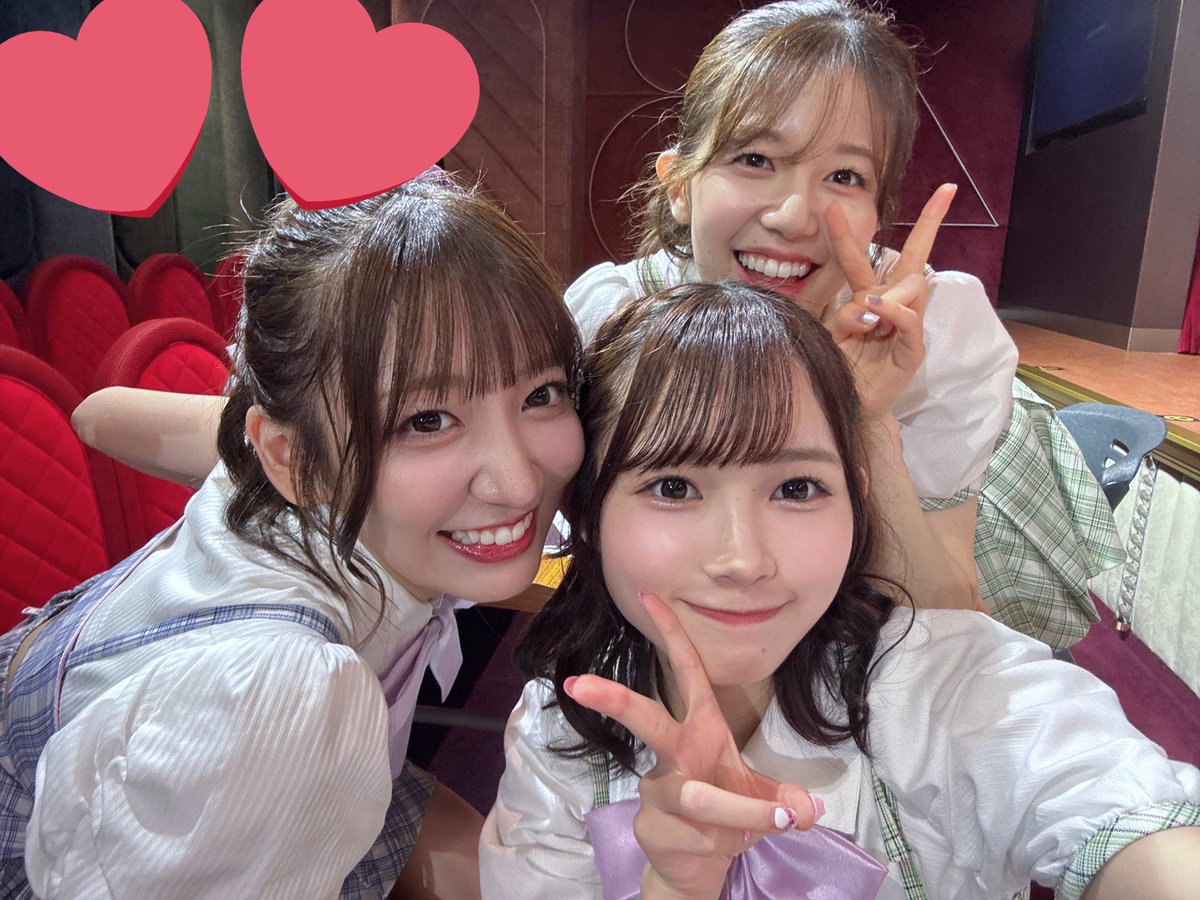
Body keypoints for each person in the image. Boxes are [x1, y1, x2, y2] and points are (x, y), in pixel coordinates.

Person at [480, 281, 1200, 899]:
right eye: (673, 487)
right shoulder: (557, 737)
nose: (743, 559)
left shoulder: (946, 685)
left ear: (854, 500)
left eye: (797, 488)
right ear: (588, 512)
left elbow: (1120, 812)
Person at [0, 171, 585, 899]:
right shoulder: (281, 696)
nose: (520, 483)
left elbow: (101, 416)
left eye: (541, 394)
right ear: (288, 457)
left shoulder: (301, 472)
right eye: (427, 420)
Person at [565, 0, 1123, 644]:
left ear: (877, 214)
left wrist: (869, 417)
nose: (794, 217)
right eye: (755, 159)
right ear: (679, 186)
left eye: (843, 175)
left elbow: (950, 616)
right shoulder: (614, 317)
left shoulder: (935, 335)